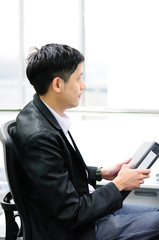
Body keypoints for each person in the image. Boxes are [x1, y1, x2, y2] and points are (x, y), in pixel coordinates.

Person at [11, 43, 159, 240]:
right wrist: (118, 185)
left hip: (86, 214)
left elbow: (56, 172)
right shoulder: (40, 137)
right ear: (57, 84)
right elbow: (71, 213)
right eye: (79, 78)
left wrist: (100, 172)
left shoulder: (41, 113)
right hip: (77, 231)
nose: (84, 85)